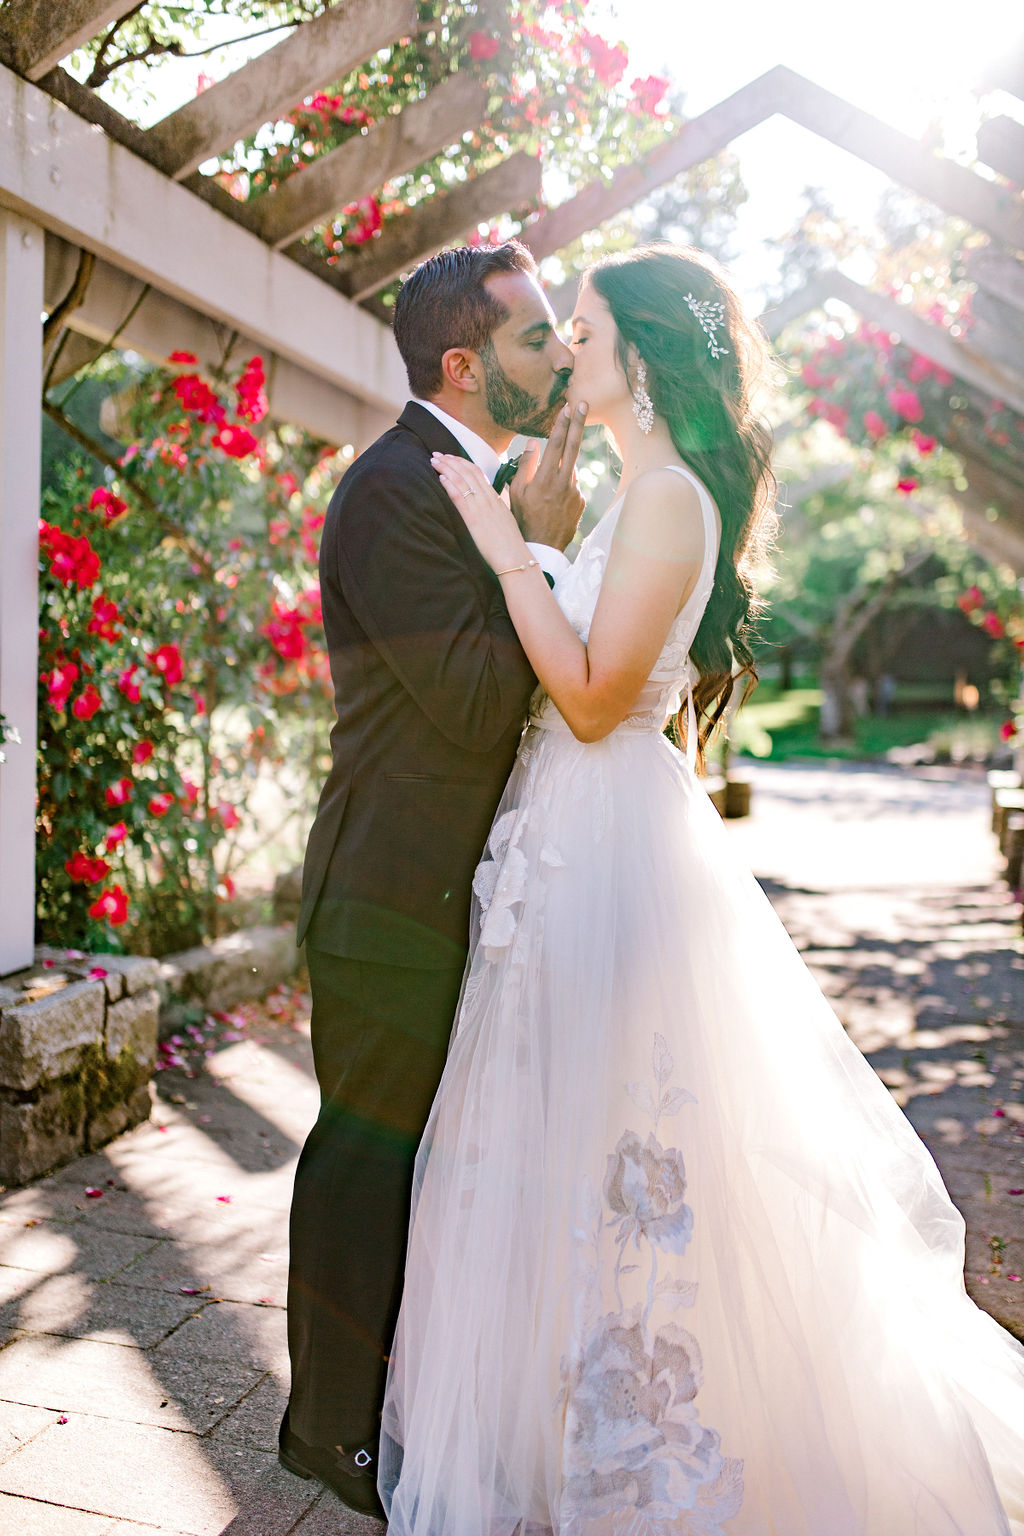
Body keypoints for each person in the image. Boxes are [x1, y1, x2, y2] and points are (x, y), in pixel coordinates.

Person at [379, 243, 1024, 1535]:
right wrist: (549, 549)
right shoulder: (641, 491)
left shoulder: (667, 499)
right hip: (576, 833)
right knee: (563, 1140)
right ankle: (573, 1436)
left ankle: (652, 1442)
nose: (571, 353)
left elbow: (596, 692)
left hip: (604, 834)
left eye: (593, 332)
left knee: (634, 1145)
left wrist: (511, 547)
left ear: (650, 357)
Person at [280, 239, 587, 1518]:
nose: (564, 354)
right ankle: (331, 1434)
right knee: (365, 1163)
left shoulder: (477, 478)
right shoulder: (393, 489)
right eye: (535, 338)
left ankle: (402, 1409)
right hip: (386, 901)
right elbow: (468, 704)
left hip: (464, 896)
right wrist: (538, 551)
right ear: (464, 366)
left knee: (435, 1170)